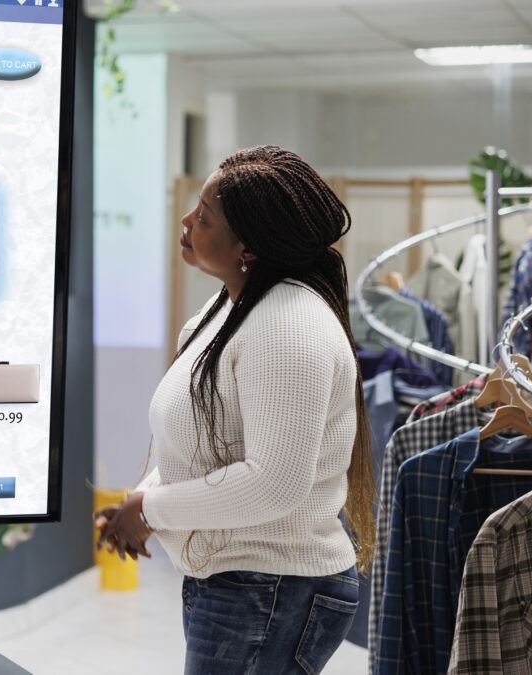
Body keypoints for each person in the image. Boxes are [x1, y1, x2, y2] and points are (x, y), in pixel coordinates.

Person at [95, 146, 374, 674]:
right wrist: (146, 497)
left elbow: (273, 483)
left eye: (203, 216)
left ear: (247, 245)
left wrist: (150, 510)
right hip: (244, 584)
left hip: (272, 588)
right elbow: (203, 440)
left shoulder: (288, 325)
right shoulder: (228, 308)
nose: (186, 221)